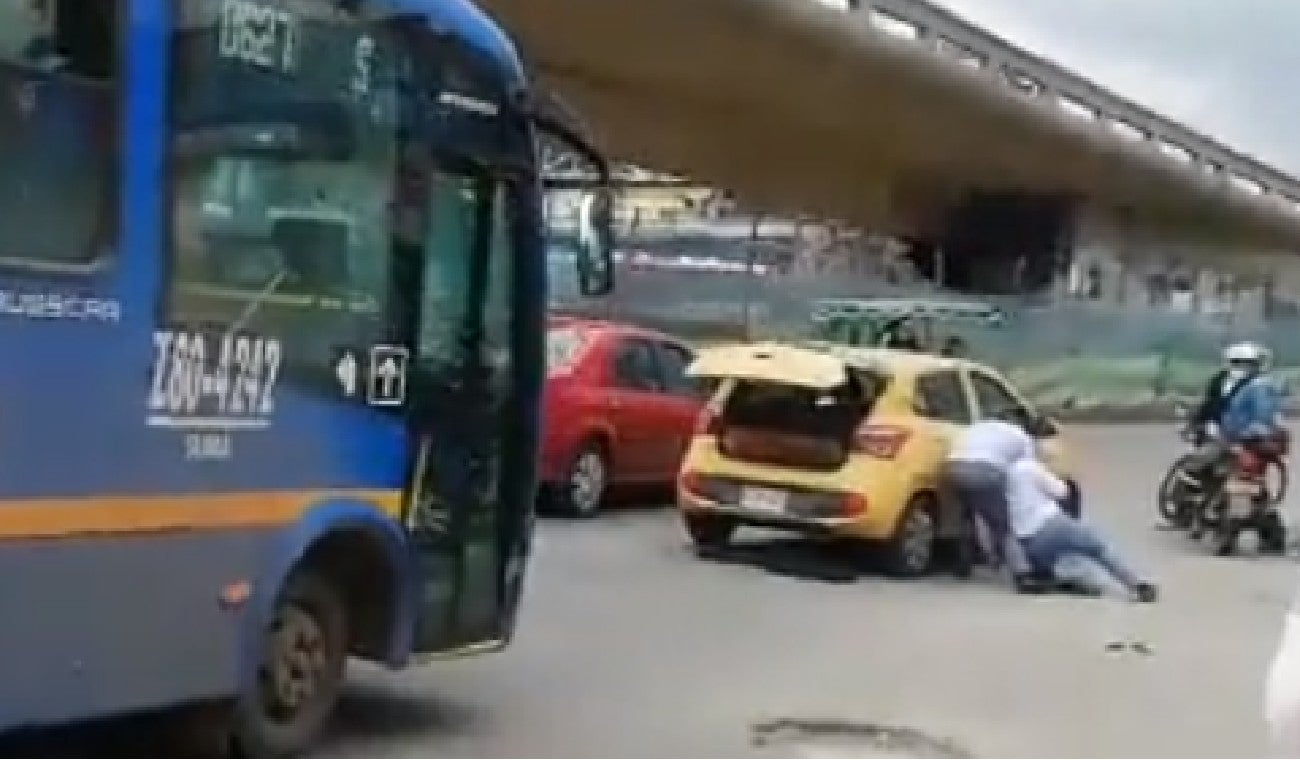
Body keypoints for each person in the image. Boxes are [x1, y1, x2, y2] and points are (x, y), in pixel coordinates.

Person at [1006, 453, 1158, 603]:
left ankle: (1065, 579)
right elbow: (1062, 492)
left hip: (1029, 543)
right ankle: (1136, 584)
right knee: (1098, 549)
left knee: (1050, 563)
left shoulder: (1003, 476)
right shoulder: (1029, 467)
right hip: (1051, 523)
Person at [941, 418, 1042, 593]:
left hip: (953, 468)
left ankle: (961, 564)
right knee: (1002, 525)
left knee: (965, 516)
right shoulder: (1022, 438)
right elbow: (1026, 471)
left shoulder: (978, 426)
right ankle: (1022, 574)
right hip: (986, 471)